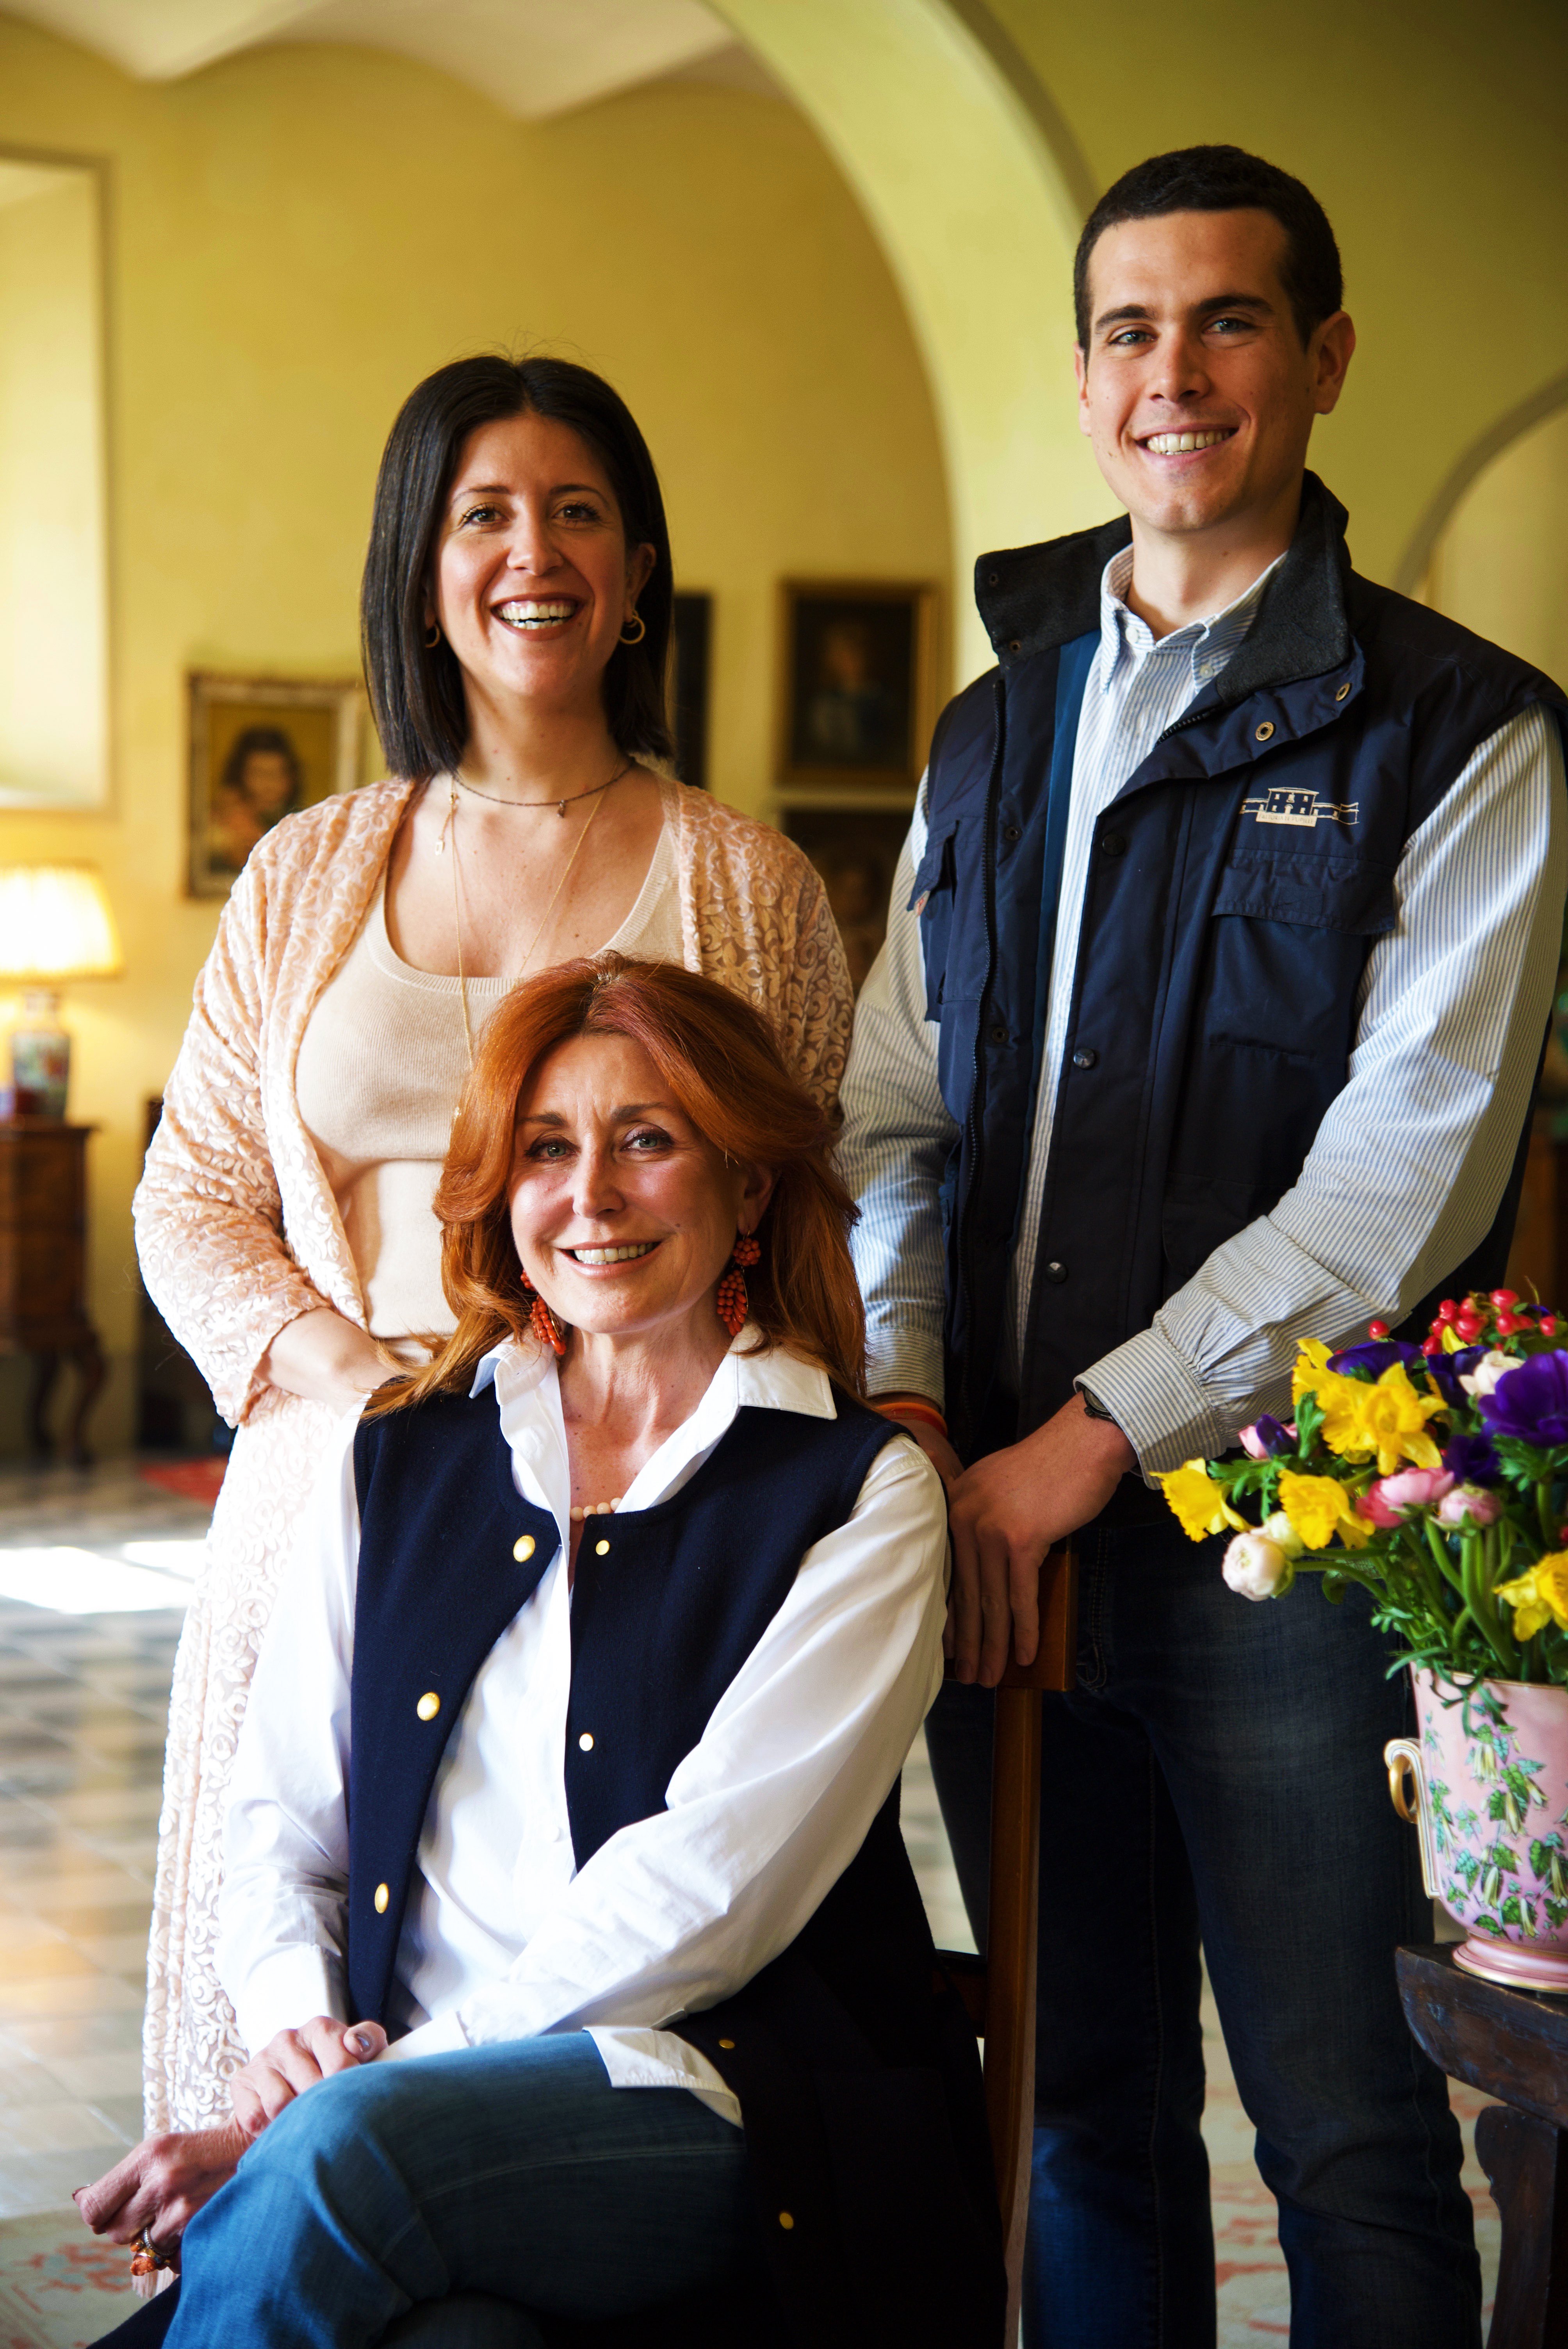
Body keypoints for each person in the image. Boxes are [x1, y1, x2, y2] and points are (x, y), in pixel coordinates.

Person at [838, 143, 1568, 2349]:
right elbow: (895, 1112)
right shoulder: (990, 735)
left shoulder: (1467, 734)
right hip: (993, 1532)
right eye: (1132, 329)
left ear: (1324, 358)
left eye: (1231, 319)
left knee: (1347, 2128)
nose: (1179, 373)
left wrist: (1088, 1441)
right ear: (1082, 382)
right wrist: (905, 1403)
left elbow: (1394, 1194)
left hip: (1281, 1544)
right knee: (1075, 2107)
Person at [135, 354, 854, 2133]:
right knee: (279, 2017)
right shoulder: (306, 872)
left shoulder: (744, 882)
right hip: (339, 1488)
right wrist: (370, 1390)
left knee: (551, 2007)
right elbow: (190, 1193)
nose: (531, 552)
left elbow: (816, 1192)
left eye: (577, 510)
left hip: (628, 1502)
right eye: (482, 513)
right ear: (421, 566)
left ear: (636, 573)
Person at [88, 957, 1000, 2349]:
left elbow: (703, 1897)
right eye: (547, 1149)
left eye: (650, 1139)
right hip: (397, 2118)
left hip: (720, 2109)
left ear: (749, 1185)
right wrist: (296, 2037)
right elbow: (280, 1817)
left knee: (351, 2173)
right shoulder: (402, 1452)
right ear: (502, 1194)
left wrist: (356, 2108)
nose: (593, 1195)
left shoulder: (858, 1492)